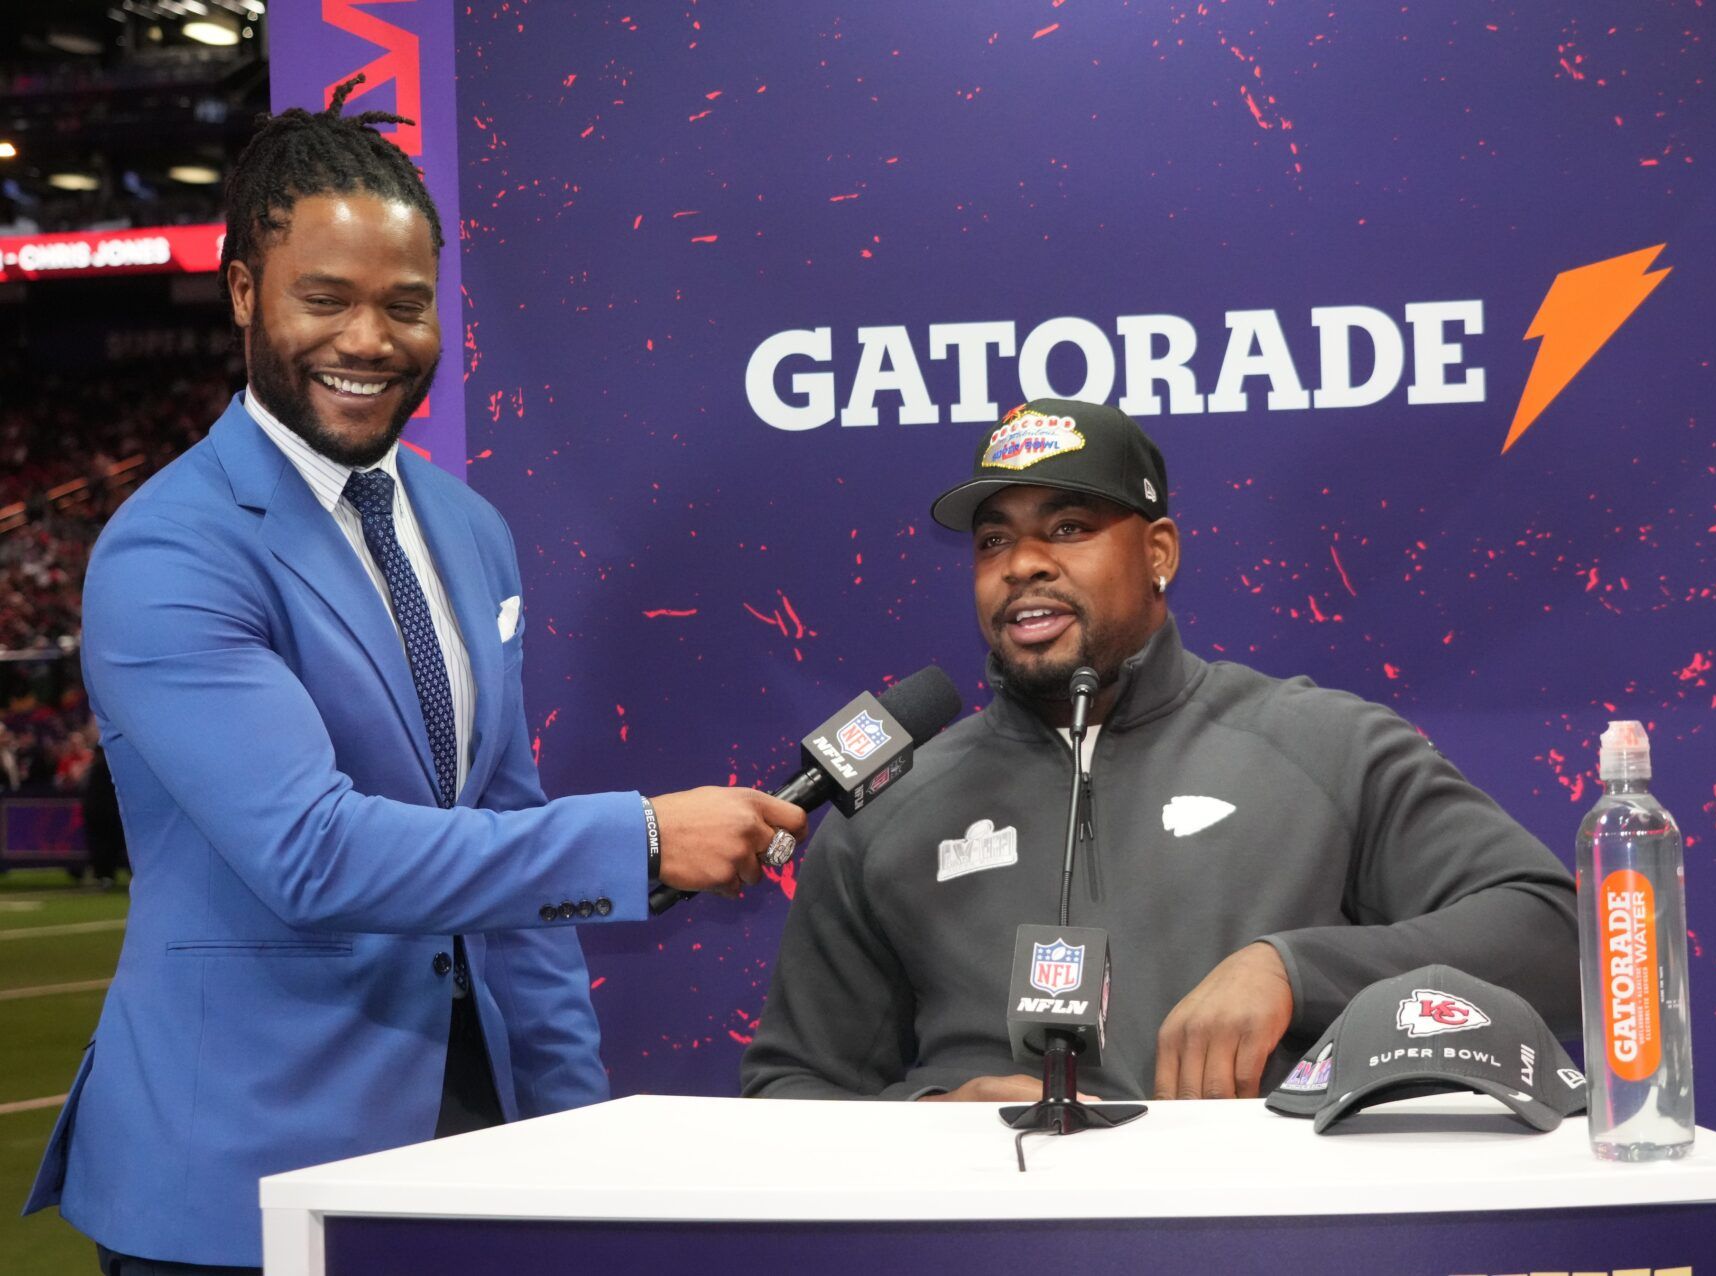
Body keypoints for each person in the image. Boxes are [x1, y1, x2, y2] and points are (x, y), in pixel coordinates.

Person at [24, 83, 806, 1275]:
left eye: (404, 304)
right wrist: (640, 843)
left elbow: (504, 832)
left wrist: (570, 1123)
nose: (368, 340)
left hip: (470, 1151)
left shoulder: (469, 528)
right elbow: (313, 853)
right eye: (323, 299)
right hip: (237, 1178)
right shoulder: (168, 548)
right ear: (244, 295)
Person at [742, 399, 1580, 1105]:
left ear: (1159, 554)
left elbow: (1558, 935)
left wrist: (1294, 969)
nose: (1023, 564)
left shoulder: (1325, 746)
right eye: (994, 541)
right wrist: (924, 1119)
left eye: (1068, 527)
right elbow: (791, 1088)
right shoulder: (890, 808)